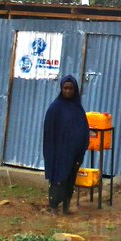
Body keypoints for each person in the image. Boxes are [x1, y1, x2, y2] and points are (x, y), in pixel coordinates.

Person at [42, 74, 90, 215]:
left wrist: (81, 150)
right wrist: (51, 154)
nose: (68, 91)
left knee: (70, 181)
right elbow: (49, 134)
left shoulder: (78, 109)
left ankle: (66, 208)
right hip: (58, 154)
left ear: (75, 90)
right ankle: (54, 208)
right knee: (58, 180)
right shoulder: (55, 108)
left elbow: (84, 131)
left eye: (70, 88)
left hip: (74, 154)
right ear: (61, 89)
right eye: (65, 88)